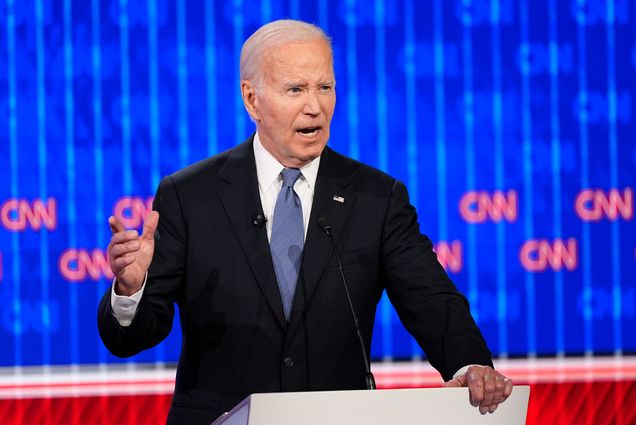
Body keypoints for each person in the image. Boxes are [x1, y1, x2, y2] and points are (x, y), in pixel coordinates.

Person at [98, 19, 513, 424]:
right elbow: (132, 338)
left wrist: (468, 366)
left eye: (325, 87)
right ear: (252, 100)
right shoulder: (190, 195)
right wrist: (131, 292)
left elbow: (431, 299)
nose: (315, 106)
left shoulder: (375, 197)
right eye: (295, 89)